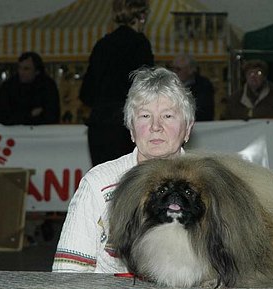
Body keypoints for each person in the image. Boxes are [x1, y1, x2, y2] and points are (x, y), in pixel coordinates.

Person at [52, 67, 195, 273]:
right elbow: (66, 275)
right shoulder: (98, 184)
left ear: (188, 128)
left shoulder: (212, 187)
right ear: (131, 129)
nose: (156, 126)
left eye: (168, 116)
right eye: (145, 116)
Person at [79, 0, 154, 166]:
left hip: (99, 125)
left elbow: (86, 93)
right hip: (126, 126)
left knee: (104, 182)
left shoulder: (102, 44)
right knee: (129, 183)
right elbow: (146, 89)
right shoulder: (140, 44)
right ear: (142, 16)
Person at [0, 51, 60, 125]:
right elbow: (3, 115)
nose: (21, 72)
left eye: (26, 69)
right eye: (19, 68)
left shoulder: (47, 87)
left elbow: (52, 116)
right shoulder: (9, 87)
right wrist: (29, 115)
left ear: (37, 71)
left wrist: (21, 116)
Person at [172, 53, 215, 121]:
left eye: (178, 69)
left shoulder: (203, 85)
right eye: (172, 68)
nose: (174, 72)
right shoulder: (169, 84)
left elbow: (203, 111)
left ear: (191, 70)